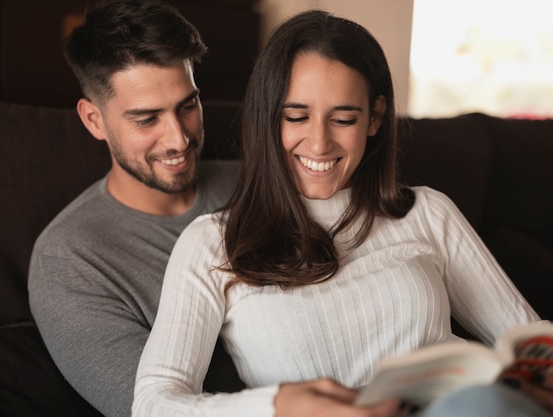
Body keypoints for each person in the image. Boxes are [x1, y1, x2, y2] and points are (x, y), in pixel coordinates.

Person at [132, 9, 552, 417]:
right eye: (296, 116)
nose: (319, 144)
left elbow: (532, 344)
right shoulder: (212, 244)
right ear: (267, 118)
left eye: (344, 119)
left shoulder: (426, 213)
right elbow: (153, 403)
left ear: (375, 118)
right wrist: (279, 407)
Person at [27, 1, 245, 416]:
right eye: (147, 120)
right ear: (93, 120)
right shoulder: (70, 261)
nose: (179, 139)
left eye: (187, 106)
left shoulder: (258, 181)